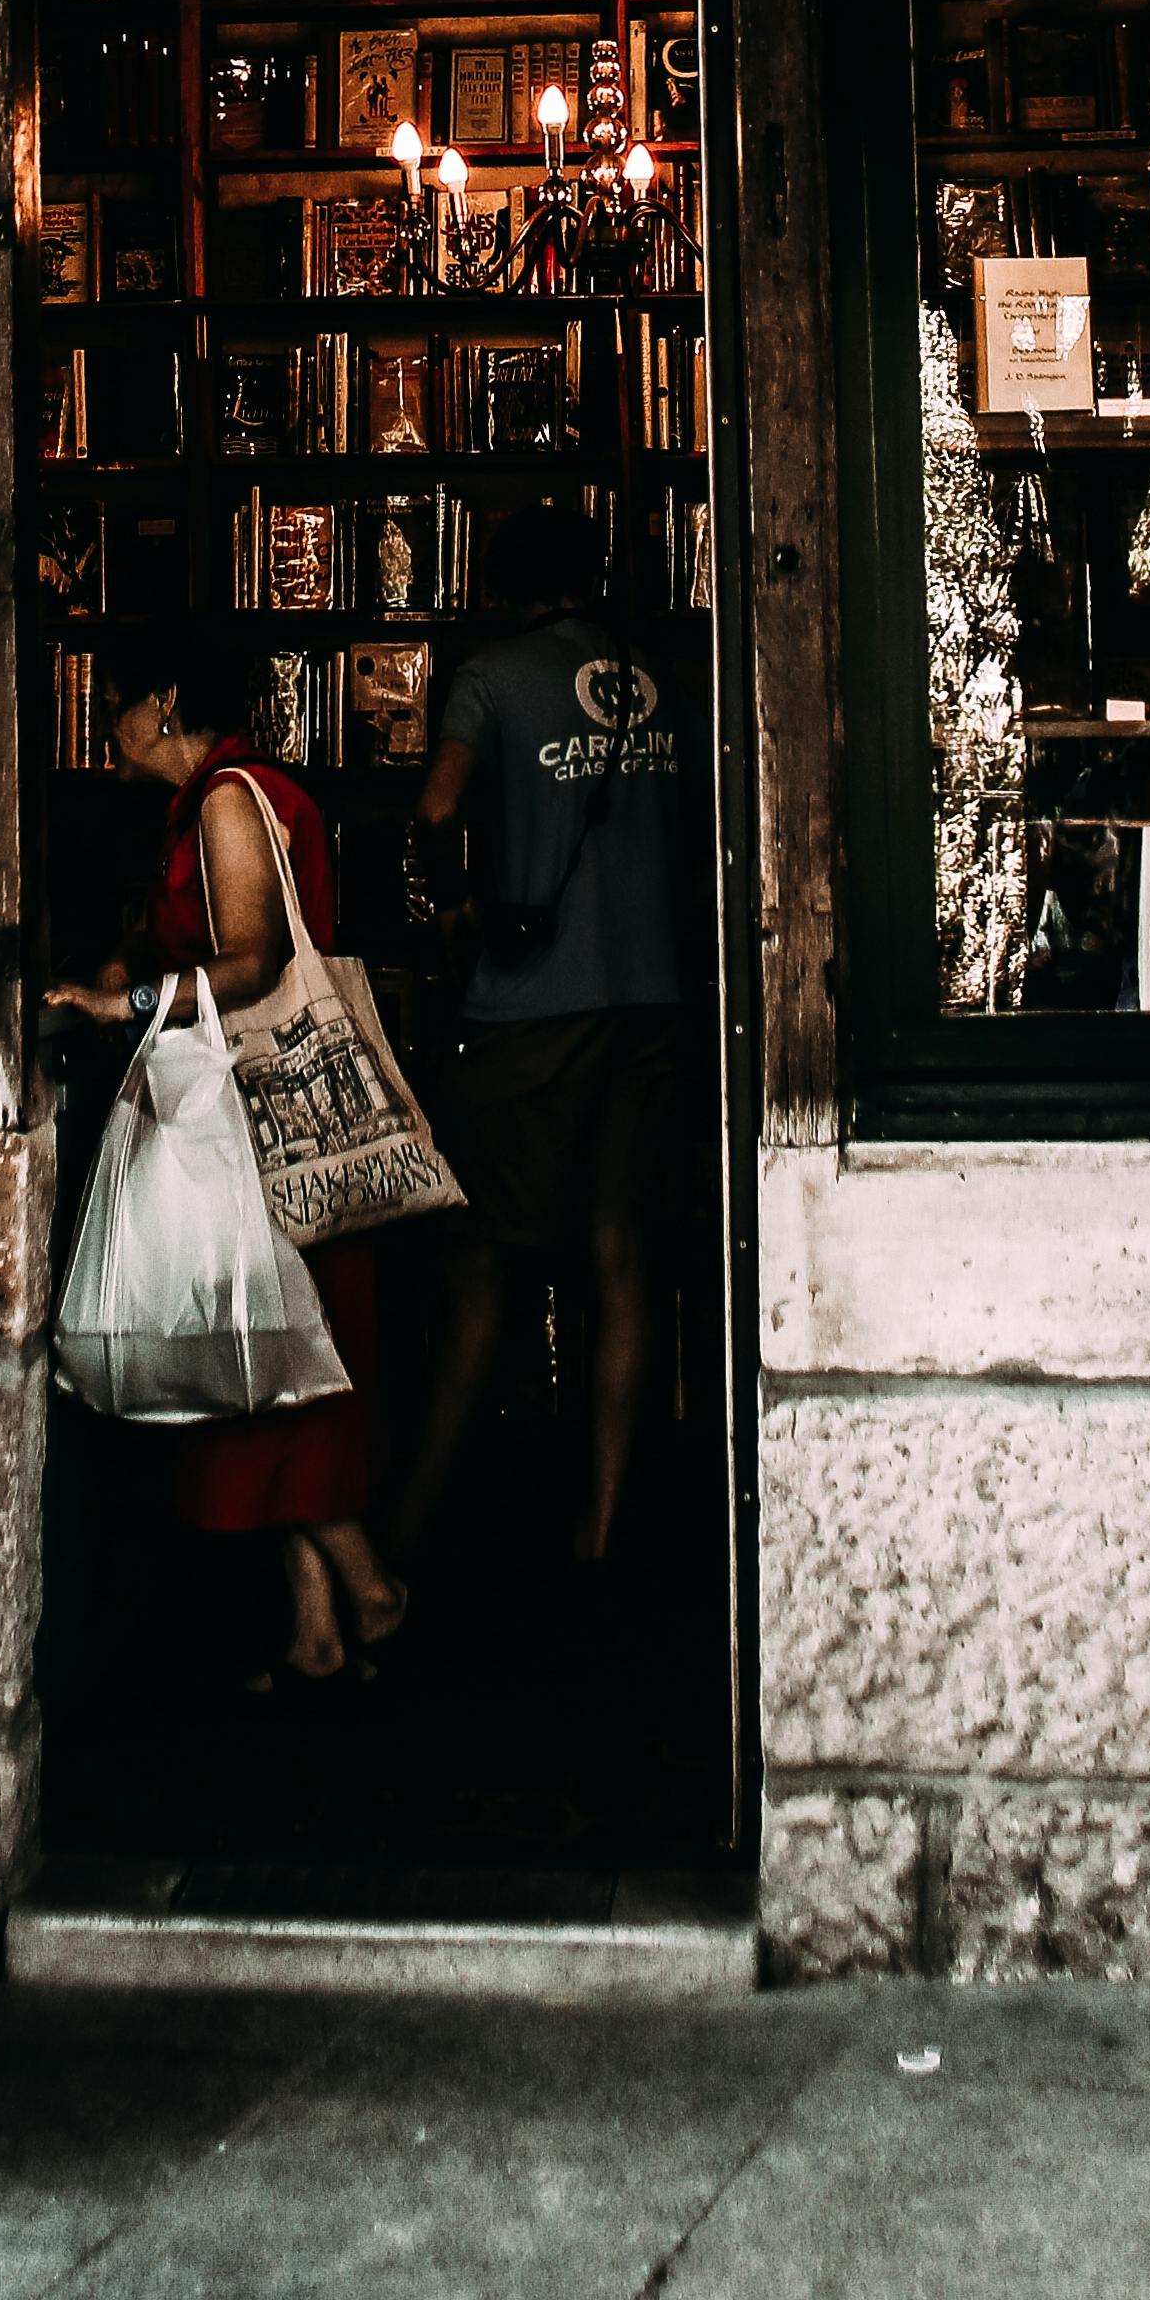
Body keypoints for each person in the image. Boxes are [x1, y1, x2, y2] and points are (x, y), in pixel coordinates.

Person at [50, 627, 406, 1685]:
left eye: (112, 700)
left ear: (163, 695)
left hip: (255, 1123)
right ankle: (318, 1631)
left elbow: (251, 959)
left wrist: (127, 999)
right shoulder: (226, 795)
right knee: (277, 1368)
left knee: (265, 1363)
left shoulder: (222, 798)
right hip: (266, 1122)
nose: (103, 725)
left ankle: (374, 1592)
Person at [389, 509, 695, 1581]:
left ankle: (409, 1530)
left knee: (473, 1259)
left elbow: (435, 806)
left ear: (499, 579)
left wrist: (457, 907)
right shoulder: (660, 672)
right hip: (653, 999)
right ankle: (601, 1530)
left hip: (527, 1012)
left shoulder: (487, 673)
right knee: (623, 1258)